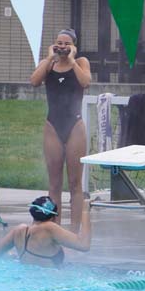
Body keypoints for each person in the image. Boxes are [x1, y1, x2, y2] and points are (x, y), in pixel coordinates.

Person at [29, 29, 91, 228]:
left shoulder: (81, 63)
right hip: (53, 126)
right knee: (54, 183)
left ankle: (74, 231)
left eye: (66, 43)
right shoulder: (48, 64)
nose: (62, 47)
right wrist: (48, 58)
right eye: (59, 42)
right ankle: (53, 228)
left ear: (74, 46)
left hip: (75, 125)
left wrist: (72, 60)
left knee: (75, 183)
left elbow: (86, 82)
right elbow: (34, 82)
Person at [0, 196, 91, 268]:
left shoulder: (18, 231)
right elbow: (84, 245)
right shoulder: (50, 228)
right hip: (49, 285)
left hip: (24, 280)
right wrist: (85, 211)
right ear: (53, 217)